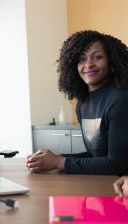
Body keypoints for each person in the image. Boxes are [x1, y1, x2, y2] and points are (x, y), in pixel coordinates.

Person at [26, 30, 128, 175]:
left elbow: (117, 164)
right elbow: (97, 156)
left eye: (97, 57)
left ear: (112, 61)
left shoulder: (120, 100)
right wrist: (55, 159)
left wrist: (58, 162)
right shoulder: (82, 104)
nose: (88, 64)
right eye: (82, 59)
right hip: (104, 184)